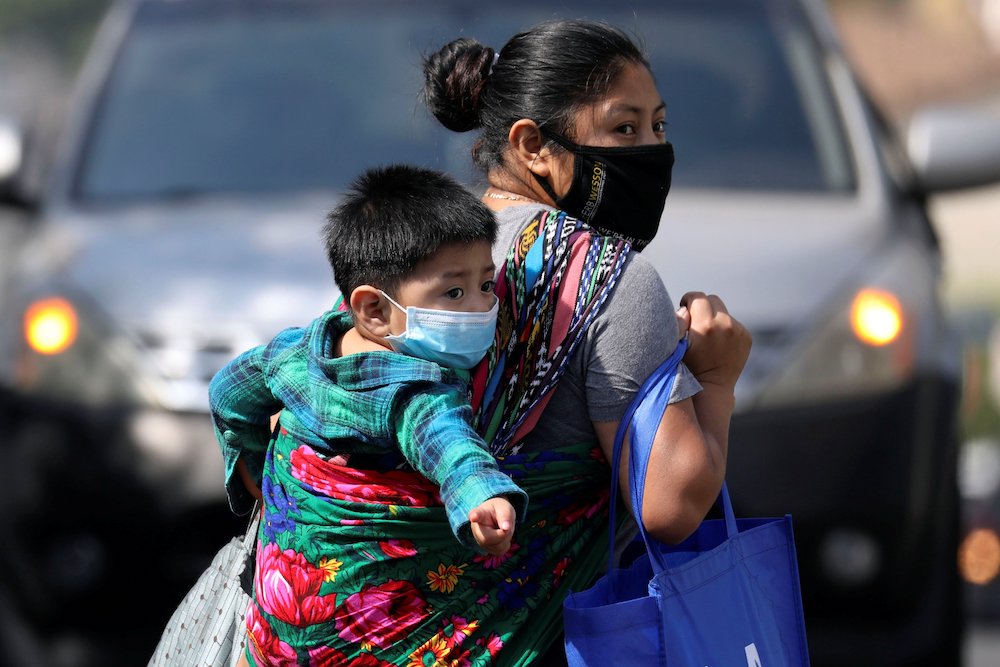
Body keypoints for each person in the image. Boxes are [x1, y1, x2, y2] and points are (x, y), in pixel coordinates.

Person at [422, 18, 751, 664]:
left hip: (388, 630)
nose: (652, 151)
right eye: (623, 128)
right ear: (533, 146)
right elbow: (671, 502)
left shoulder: (420, 256)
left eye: (658, 126)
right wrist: (717, 381)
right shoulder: (612, 280)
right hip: (522, 642)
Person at [209, 165, 531, 664]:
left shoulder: (296, 351)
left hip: (275, 630)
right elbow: (447, 444)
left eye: (486, 285)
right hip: (360, 638)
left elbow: (228, 392)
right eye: (453, 293)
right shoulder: (417, 387)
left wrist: (250, 461)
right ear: (374, 310)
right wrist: (481, 495)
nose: (481, 307)